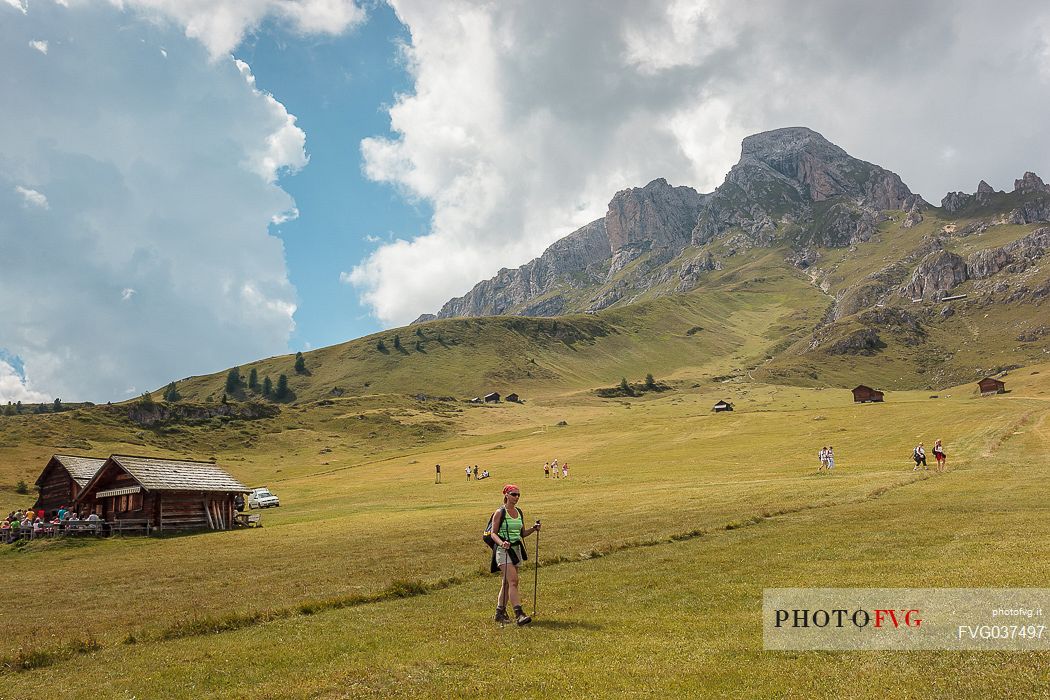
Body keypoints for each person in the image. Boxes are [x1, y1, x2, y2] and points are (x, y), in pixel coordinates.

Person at [490, 484, 540, 625]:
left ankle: (499, 613)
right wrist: (501, 543)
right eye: (513, 494)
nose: (516, 497)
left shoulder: (519, 512)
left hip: (516, 550)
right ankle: (519, 614)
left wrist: (533, 529)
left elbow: (522, 533)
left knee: (507, 583)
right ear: (506, 495)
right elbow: (493, 533)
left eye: (518, 495)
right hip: (503, 550)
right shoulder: (500, 512)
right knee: (513, 581)